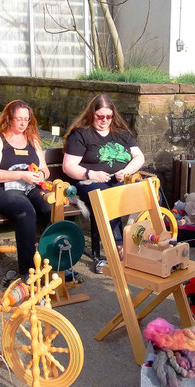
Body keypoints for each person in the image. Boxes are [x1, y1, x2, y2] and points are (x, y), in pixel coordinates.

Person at [63, 94, 145, 274]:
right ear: (92, 114)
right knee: (108, 198)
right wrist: (92, 173)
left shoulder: (122, 134)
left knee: (149, 194)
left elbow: (139, 157)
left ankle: (135, 243)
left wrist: (127, 171)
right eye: (100, 116)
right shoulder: (81, 134)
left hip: (119, 181)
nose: (105, 120)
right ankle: (116, 247)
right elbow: (68, 166)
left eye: (109, 117)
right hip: (88, 182)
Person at [0, 100, 51, 277]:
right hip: (2, 188)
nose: (22, 123)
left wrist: (40, 175)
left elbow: (45, 168)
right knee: (25, 211)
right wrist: (20, 175)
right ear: (9, 118)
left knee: (52, 207)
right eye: (18, 119)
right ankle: (28, 270)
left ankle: (50, 260)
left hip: (30, 186)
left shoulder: (32, 139)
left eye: (26, 119)